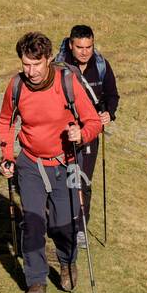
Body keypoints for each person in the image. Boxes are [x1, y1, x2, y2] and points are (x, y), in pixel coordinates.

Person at [0, 31, 103, 293]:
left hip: (65, 164)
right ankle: (35, 281)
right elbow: (6, 121)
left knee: (63, 225)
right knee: (32, 224)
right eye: (25, 64)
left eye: (36, 64)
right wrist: (7, 156)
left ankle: (68, 262)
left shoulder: (67, 82)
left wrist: (81, 134)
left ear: (48, 60)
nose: (30, 71)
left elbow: (93, 121)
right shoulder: (16, 86)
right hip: (30, 163)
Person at [56, 25, 119, 244]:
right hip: (63, 132)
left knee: (83, 179)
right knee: (63, 179)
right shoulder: (59, 67)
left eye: (89, 47)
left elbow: (112, 95)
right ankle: (61, 223)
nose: (84, 52)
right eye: (80, 47)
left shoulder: (101, 65)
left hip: (90, 131)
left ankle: (81, 226)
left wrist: (109, 114)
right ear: (70, 45)